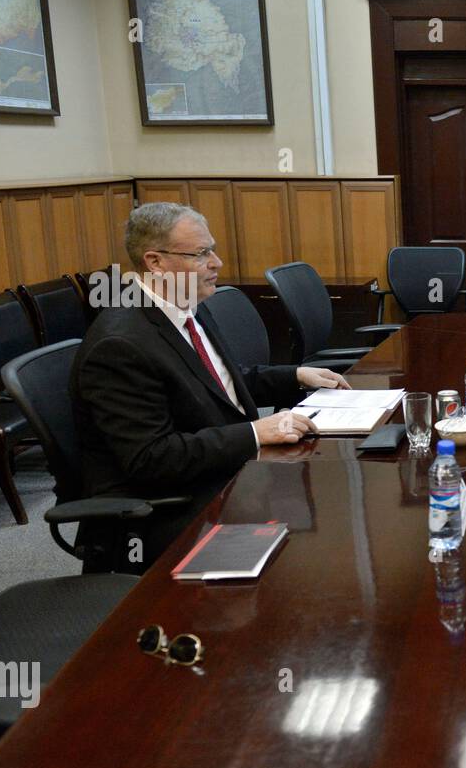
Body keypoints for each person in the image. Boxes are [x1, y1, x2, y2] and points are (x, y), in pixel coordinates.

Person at [71, 202, 350, 570]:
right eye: (201, 254)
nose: (216, 262)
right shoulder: (120, 345)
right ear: (155, 262)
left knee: (336, 493)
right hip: (166, 507)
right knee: (320, 537)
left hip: (223, 471)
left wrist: (295, 375)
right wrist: (254, 432)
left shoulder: (186, 306)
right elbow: (151, 459)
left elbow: (215, 385)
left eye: (212, 249)